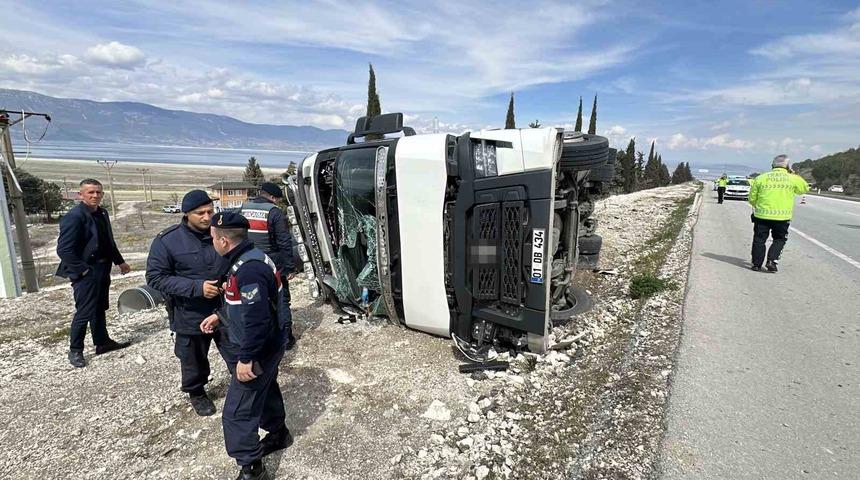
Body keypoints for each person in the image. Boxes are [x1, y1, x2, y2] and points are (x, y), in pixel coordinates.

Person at [200, 211, 292, 480]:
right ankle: (278, 433)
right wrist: (221, 316)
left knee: (237, 412)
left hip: (260, 347)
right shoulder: (246, 258)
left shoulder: (249, 269)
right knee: (265, 388)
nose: (212, 242)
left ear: (224, 241)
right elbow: (247, 305)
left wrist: (246, 358)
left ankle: (252, 469)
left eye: (213, 238)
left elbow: (257, 319)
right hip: (269, 342)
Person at [145, 190, 234, 416]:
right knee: (192, 358)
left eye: (210, 212)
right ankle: (197, 392)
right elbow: (155, 278)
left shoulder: (221, 233)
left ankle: (243, 385)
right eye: (200, 213)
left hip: (224, 308)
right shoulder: (168, 241)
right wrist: (197, 288)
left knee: (237, 350)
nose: (207, 217)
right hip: (189, 312)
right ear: (187, 214)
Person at [56, 179, 132, 368]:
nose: (95, 196)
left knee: (99, 307)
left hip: (102, 267)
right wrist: (83, 270)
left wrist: (119, 261)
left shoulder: (102, 212)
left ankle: (102, 342)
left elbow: (108, 241)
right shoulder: (74, 216)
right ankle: (75, 350)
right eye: (90, 192)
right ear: (80, 195)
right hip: (85, 270)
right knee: (84, 311)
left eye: (98, 192)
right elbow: (64, 250)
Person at [239, 182, 297, 347]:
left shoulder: (243, 208)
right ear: (272, 197)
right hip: (271, 264)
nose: (278, 203)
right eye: (277, 199)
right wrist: (289, 268)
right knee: (281, 299)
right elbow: (284, 241)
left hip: (247, 262)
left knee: (253, 300)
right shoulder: (274, 212)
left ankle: (260, 338)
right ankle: (286, 339)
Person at [748, 155, 810, 272]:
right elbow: (804, 189)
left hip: (762, 215)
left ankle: (756, 264)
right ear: (787, 166)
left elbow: (752, 198)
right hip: (782, 217)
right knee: (779, 239)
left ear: (772, 165)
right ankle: (772, 260)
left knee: (759, 239)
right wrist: (792, 174)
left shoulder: (761, 178)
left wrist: (759, 206)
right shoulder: (791, 178)